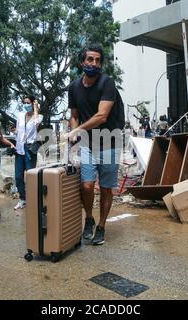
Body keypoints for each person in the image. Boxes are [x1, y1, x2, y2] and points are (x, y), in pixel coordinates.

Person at [68, 44, 123, 245]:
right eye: (90, 59)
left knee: (106, 188)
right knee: (87, 184)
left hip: (109, 141)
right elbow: (74, 116)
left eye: (98, 60)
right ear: (82, 62)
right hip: (87, 143)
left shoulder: (107, 83)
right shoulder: (74, 87)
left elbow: (102, 116)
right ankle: (89, 218)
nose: (94, 63)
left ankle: (101, 226)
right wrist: (75, 134)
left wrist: (77, 129)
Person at [13, 95, 43, 210]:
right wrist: (14, 132)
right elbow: (18, 131)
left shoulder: (39, 116)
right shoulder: (20, 116)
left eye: (28, 103)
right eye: (24, 102)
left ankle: (32, 200)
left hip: (30, 149)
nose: (26, 105)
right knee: (18, 176)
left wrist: (36, 107)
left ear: (33, 103)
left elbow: (36, 123)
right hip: (19, 148)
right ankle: (22, 199)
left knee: (30, 176)